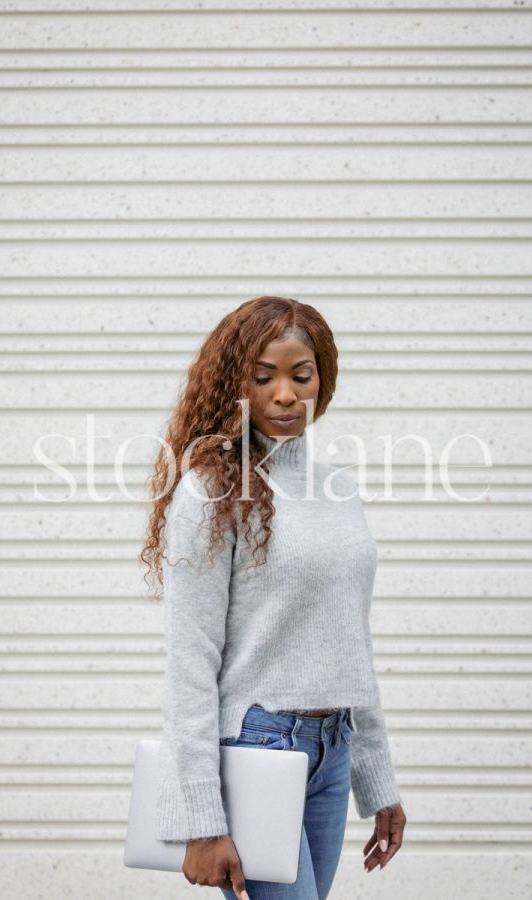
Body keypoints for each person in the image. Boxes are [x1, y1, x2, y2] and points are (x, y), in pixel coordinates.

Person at [140, 295, 407, 899]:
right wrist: (200, 820)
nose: (284, 394)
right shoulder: (209, 490)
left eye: (300, 375)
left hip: (333, 750)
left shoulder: (335, 490)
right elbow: (190, 660)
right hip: (257, 745)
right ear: (236, 384)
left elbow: (349, 642)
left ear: (322, 379)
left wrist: (377, 778)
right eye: (263, 377)